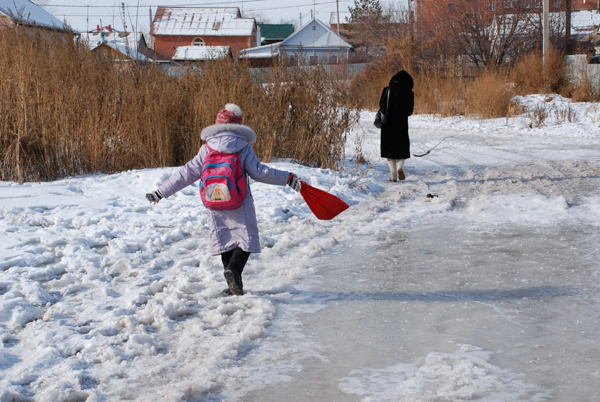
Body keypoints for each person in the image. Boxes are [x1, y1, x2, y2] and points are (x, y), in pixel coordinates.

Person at [145, 103, 301, 296]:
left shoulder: (206, 149)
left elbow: (185, 174)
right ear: (239, 125)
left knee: (225, 240)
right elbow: (260, 173)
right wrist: (287, 178)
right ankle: (233, 271)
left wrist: (161, 192)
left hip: (214, 202)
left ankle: (233, 286)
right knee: (246, 239)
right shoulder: (243, 147)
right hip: (239, 201)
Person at [379, 70, 414, 181]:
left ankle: (393, 176)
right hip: (402, 124)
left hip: (388, 123)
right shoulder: (409, 93)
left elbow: (381, 105)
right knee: (401, 148)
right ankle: (400, 168)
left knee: (389, 149)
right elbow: (409, 112)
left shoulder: (387, 90)